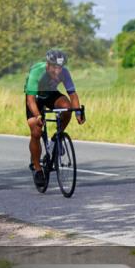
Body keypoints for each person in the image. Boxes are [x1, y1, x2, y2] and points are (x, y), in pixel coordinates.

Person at [24, 49, 84, 187]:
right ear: (47, 64)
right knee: (36, 131)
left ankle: (55, 140)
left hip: (51, 94)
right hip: (35, 98)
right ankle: (37, 168)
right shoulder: (36, 72)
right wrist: (38, 115)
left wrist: (78, 113)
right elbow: (30, 100)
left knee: (66, 107)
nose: (58, 71)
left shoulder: (64, 72)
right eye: (54, 67)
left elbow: (73, 94)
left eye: (60, 68)